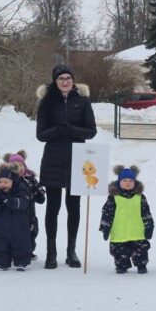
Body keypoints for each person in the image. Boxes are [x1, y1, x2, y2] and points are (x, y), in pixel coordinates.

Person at [35, 64, 97, 269]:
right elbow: (40, 134)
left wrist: (71, 130)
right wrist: (57, 131)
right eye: (61, 78)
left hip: (78, 159)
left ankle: (71, 251)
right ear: (55, 81)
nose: (65, 81)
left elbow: (91, 131)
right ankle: (51, 252)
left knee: (74, 207)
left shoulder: (83, 101)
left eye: (68, 78)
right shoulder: (47, 102)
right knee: (53, 207)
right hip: (53, 159)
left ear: (73, 80)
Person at [99, 165, 154, 274]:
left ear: (135, 182)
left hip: (137, 233)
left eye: (130, 181)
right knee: (119, 252)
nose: (128, 183)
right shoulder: (113, 198)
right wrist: (105, 226)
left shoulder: (140, 197)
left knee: (140, 250)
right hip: (119, 233)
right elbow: (107, 214)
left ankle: (141, 265)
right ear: (119, 182)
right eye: (124, 180)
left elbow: (146, 214)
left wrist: (149, 226)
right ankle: (121, 266)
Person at [0, 162, 36, 272]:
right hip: (2, 225)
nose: (2, 184)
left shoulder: (21, 189)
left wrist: (9, 201)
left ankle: (21, 262)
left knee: (21, 242)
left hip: (19, 224)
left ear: (13, 182)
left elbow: (23, 203)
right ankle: (1, 262)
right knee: (1, 244)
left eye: (6, 182)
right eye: (0, 182)